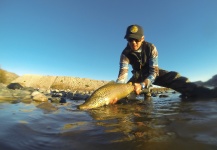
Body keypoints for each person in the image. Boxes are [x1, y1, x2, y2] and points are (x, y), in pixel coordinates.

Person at [116, 24, 217, 98]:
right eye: (130, 39)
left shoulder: (151, 48)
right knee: (123, 97)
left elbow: (153, 73)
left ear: (142, 39)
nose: (133, 43)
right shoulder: (125, 54)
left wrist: (142, 85)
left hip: (152, 72)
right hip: (137, 76)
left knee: (175, 78)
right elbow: (122, 76)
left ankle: (207, 93)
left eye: (136, 39)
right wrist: (117, 91)